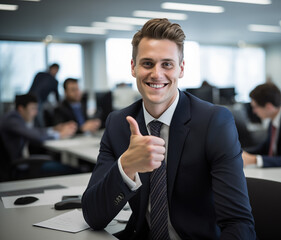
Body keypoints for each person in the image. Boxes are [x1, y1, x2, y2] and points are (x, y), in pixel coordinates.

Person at [82, 18, 256, 239]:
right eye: (147, 63)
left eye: (167, 64)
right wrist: (126, 166)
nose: (156, 74)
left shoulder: (214, 122)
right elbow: (94, 216)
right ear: (133, 67)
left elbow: (238, 224)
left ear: (181, 69)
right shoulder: (119, 123)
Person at [0, 94, 77, 179]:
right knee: (72, 169)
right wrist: (60, 134)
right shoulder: (12, 119)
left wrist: (54, 129)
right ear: (21, 109)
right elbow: (36, 136)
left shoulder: (15, 118)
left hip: (21, 163)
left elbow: (34, 131)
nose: (36, 112)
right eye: (33, 108)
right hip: (20, 167)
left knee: (68, 166)